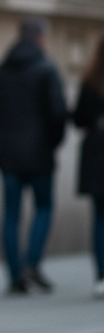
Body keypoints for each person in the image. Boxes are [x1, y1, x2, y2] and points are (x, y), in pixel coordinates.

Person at [0, 17, 67, 294]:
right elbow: (57, 114)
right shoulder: (46, 70)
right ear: (40, 38)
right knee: (43, 208)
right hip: (40, 154)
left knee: (11, 215)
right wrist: (52, 143)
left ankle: (15, 276)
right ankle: (31, 262)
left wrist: (3, 140)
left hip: (8, 155)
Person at [71, 36, 104, 298]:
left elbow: (78, 118)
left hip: (96, 153)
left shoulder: (90, 81)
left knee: (100, 219)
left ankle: (102, 276)